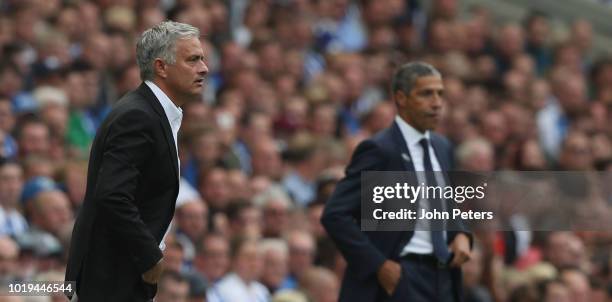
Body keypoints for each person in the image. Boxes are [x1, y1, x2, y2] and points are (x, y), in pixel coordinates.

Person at [65, 21, 208, 301]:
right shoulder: (138, 116)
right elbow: (113, 195)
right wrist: (150, 257)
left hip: (119, 276)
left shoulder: (153, 113)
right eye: (193, 59)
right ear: (161, 67)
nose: (204, 68)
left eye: (202, 58)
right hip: (109, 280)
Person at [321, 62, 472, 302]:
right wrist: (378, 265)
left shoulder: (443, 147)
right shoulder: (380, 150)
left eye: (440, 94)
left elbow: (446, 204)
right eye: (426, 94)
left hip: (442, 276)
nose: (437, 103)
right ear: (401, 98)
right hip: (402, 275)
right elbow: (335, 214)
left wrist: (460, 234)